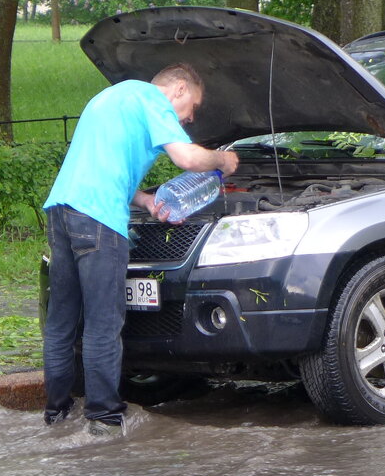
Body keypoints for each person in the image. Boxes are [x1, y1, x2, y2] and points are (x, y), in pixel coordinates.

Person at [41, 63, 238, 436]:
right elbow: (188, 159)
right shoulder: (152, 100)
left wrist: (145, 200)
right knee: (103, 324)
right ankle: (104, 421)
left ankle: (56, 416)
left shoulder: (112, 97)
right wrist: (223, 160)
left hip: (62, 211)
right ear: (179, 89)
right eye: (192, 108)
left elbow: (100, 165)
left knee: (61, 324)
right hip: (99, 219)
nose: (190, 118)